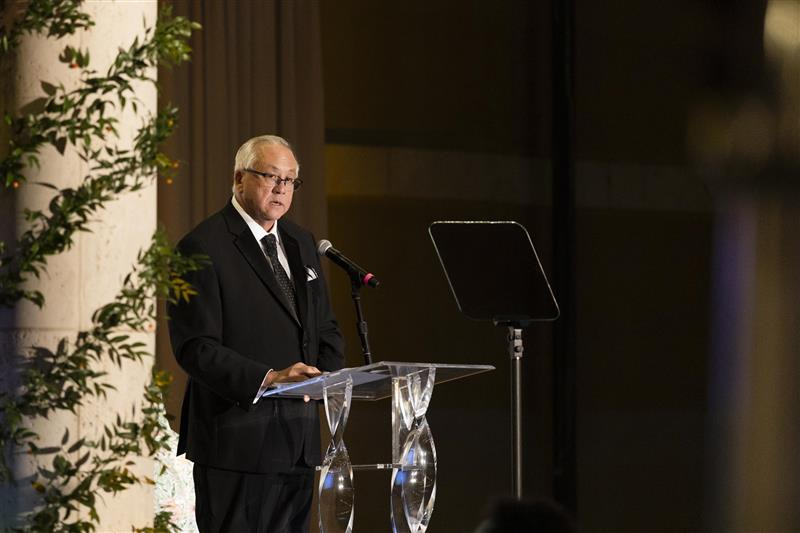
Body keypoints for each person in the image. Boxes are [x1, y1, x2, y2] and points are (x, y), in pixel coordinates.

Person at [168, 135, 345, 533]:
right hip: (235, 443)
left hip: (297, 442)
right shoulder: (202, 246)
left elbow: (325, 329)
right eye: (270, 176)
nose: (281, 188)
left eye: (290, 180)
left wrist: (328, 380)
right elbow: (195, 347)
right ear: (239, 179)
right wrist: (270, 379)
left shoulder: (300, 242)